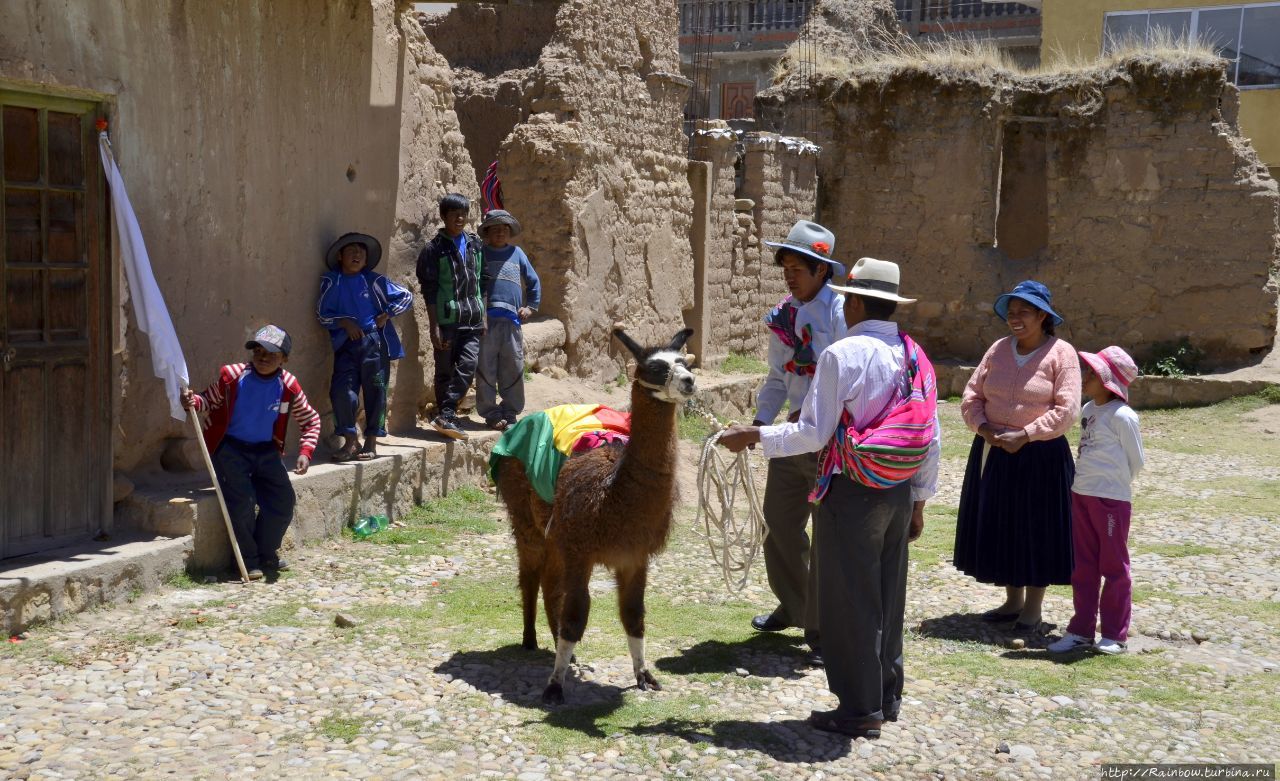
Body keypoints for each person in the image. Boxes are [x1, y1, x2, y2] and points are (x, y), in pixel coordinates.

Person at [718, 257, 940, 740]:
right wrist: (920, 500)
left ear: (855, 301)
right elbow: (931, 431)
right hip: (897, 492)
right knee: (887, 595)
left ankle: (860, 708)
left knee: (850, 602)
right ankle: (886, 695)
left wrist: (755, 436)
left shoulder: (844, 354)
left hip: (853, 492)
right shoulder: (913, 354)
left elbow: (815, 433)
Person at [953, 281, 1081, 630]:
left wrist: (1025, 434)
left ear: (1043, 315)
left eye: (1024, 311)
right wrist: (984, 428)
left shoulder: (1061, 354)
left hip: (1040, 455)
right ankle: (1012, 601)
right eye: (1011, 312)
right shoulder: (997, 349)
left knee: (1035, 528)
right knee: (1003, 523)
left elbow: (1066, 409)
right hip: (994, 450)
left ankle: (1033, 609)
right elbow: (971, 395)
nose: (1015, 318)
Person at [747, 220, 847, 664]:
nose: (790, 275)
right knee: (780, 523)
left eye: (799, 267)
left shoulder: (844, 313)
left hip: (833, 439)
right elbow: (777, 377)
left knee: (828, 534)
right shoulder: (783, 316)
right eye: (786, 266)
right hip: (791, 435)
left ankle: (825, 626)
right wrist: (759, 421)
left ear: (822, 270)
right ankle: (795, 604)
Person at [182, 325, 321, 581]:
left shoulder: (288, 385)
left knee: (282, 502)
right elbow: (207, 400)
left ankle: (267, 552)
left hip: (266, 451)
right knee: (243, 502)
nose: (263, 358)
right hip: (230, 449)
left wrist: (306, 451)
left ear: (284, 359)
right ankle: (246, 560)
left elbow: (311, 420)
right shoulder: (233, 376)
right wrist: (193, 401)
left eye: (271, 353)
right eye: (258, 351)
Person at [1049, 346, 1144, 655]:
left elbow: (1136, 461)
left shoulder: (1123, 416)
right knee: (1084, 566)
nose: (1085, 376)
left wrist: (1112, 486)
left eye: (1092, 373)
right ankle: (1081, 630)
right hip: (1082, 495)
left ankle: (1115, 634)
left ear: (1107, 382)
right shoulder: (1089, 410)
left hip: (1111, 500)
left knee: (1114, 567)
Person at [316, 232, 414, 461]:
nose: (357, 255)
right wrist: (343, 322)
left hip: (375, 345)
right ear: (340, 256)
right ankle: (350, 441)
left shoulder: (375, 281)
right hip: (347, 347)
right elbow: (321, 314)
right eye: (351, 251)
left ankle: (371, 442)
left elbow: (407, 297)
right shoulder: (332, 281)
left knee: (377, 390)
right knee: (341, 391)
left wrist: (387, 314)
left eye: (361, 251)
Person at [416, 193, 485, 441]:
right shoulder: (434, 250)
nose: (459, 218)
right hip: (446, 321)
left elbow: (481, 282)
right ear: (444, 216)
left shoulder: (476, 244)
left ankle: (445, 412)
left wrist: (483, 317)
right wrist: (434, 325)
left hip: (473, 320)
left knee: (468, 365)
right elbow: (430, 290)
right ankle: (447, 418)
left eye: (463, 213)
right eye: (454, 213)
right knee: (444, 371)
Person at [476, 209, 541, 431]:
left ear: (509, 232)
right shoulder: (481, 253)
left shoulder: (517, 253)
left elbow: (533, 281)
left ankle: (510, 411)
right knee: (486, 369)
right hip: (486, 323)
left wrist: (530, 307)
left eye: (504, 229)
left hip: (512, 322)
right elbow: (475, 285)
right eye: (495, 229)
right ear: (487, 232)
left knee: (513, 366)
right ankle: (491, 413)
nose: (500, 233)